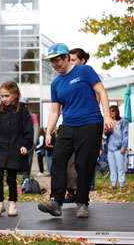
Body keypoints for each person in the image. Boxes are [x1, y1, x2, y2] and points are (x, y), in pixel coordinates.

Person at [37, 43, 116, 218]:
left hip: (90, 124)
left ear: (66, 57)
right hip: (68, 126)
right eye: (51, 62)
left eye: (57, 60)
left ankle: (82, 203)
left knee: (83, 163)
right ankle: (56, 201)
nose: (54, 65)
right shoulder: (56, 83)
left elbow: (102, 92)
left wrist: (107, 116)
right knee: (58, 160)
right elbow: (54, 111)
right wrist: (49, 132)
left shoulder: (84, 71)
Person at [0, 81, 33, 217]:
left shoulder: (23, 111)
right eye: (2, 96)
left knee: (11, 179)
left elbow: (28, 131)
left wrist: (25, 145)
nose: (4, 99)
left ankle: (12, 204)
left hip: (15, 149)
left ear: (15, 95)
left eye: (6, 96)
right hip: (1, 148)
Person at [64, 48, 91, 202]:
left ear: (82, 61)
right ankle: (71, 192)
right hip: (71, 126)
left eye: (73, 60)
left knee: (83, 162)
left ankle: (82, 196)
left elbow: (97, 99)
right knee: (69, 161)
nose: (71, 63)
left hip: (87, 126)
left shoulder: (86, 77)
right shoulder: (68, 80)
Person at [106, 105, 128, 189]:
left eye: (113, 111)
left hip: (119, 147)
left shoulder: (122, 121)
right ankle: (113, 184)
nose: (111, 113)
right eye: (110, 111)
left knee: (120, 167)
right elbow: (105, 136)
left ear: (117, 111)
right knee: (112, 168)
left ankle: (122, 184)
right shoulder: (108, 122)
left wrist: (124, 146)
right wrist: (107, 132)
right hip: (110, 147)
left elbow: (125, 134)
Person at [20, 97, 38, 182]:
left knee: (28, 161)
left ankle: (25, 179)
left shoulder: (33, 116)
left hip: (29, 143)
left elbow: (36, 129)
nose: (22, 106)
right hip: (18, 142)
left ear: (27, 105)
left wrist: (33, 143)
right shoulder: (16, 115)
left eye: (24, 104)